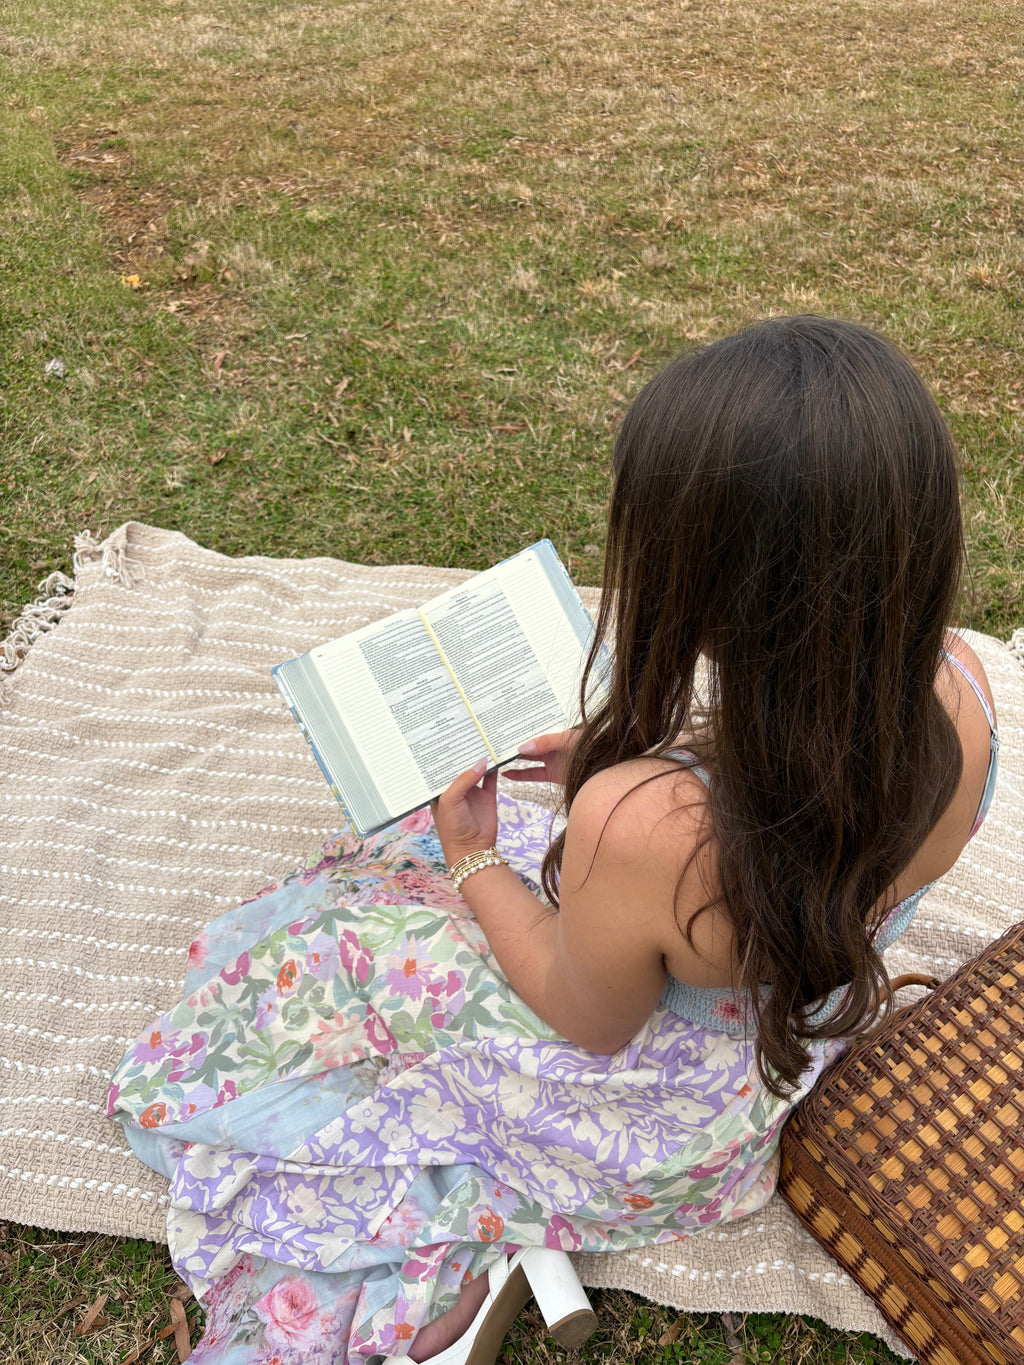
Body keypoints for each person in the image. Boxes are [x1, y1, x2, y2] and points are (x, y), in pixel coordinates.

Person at [108, 315, 998, 1365]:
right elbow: (799, 794)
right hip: (781, 1052)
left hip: (645, 1125)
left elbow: (588, 1018)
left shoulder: (646, 826)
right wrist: (644, 767)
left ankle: (475, 1243)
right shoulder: (961, 692)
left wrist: (475, 856)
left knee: (333, 938)